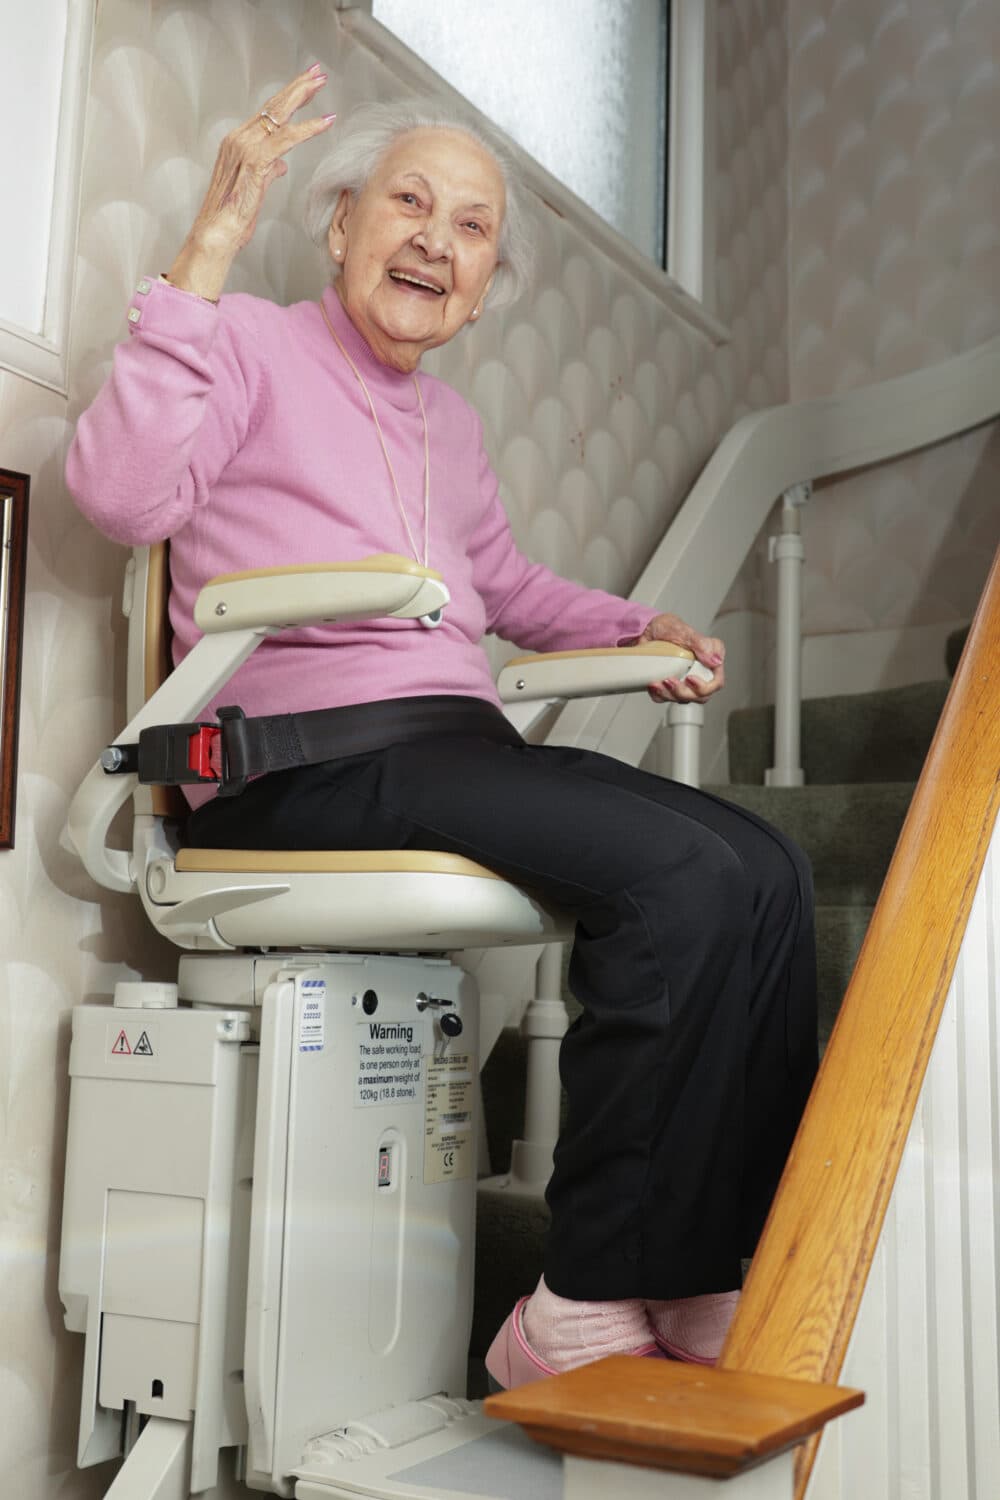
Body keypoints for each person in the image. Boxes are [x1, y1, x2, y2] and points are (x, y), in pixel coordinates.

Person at [66, 69, 818, 1390]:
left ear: (482, 288)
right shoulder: (245, 343)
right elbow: (122, 498)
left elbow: (507, 590)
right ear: (340, 222)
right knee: (678, 878)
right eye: (407, 204)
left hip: (446, 745)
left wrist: (637, 629)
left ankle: (703, 1264)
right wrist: (210, 245)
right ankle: (580, 1300)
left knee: (767, 866)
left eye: (471, 229)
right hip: (300, 757)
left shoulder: (452, 425)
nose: (436, 241)